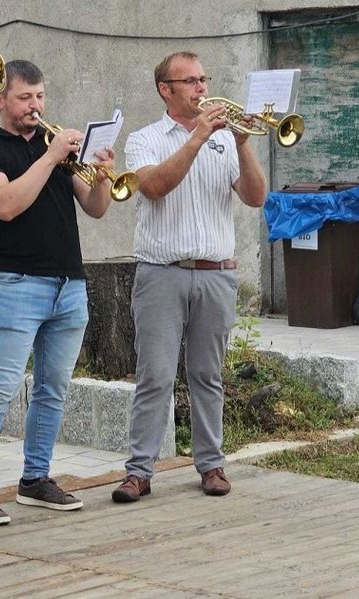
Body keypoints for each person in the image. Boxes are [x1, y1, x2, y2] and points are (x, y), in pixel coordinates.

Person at [0, 59, 116, 525]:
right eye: (25, 98)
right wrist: (50, 157)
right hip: (17, 283)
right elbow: (5, 205)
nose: (35, 106)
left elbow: (96, 208)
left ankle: (35, 479)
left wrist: (102, 174)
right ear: (0, 100)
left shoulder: (55, 147)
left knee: (53, 389)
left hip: (69, 284)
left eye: (40, 97)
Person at [110, 51, 266, 504]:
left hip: (216, 274)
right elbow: (154, 187)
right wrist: (198, 137)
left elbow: (256, 197)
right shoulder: (145, 139)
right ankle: (139, 470)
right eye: (191, 81)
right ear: (166, 89)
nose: (202, 88)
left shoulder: (225, 141)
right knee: (154, 375)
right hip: (163, 273)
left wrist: (242, 143)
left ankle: (211, 464)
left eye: (204, 78)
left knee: (208, 374)